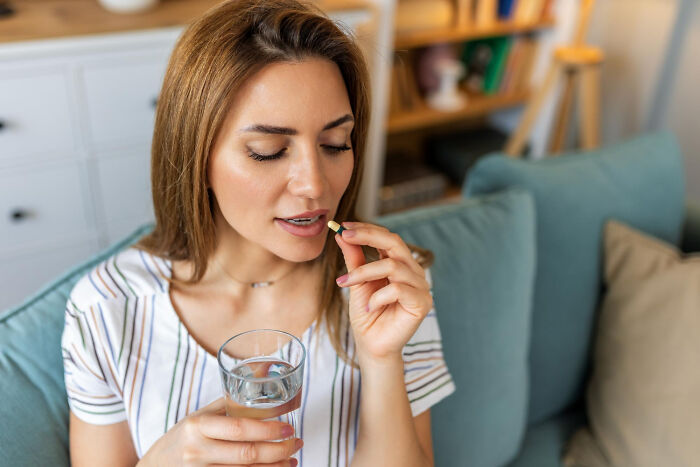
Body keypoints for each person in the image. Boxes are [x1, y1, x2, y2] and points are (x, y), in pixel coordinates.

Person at [61, 0, 456, 465]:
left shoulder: (389, 290)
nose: (315, 183)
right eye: (268, 151)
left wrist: (382, 360)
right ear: (197, 159)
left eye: (335, 144)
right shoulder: (106, 309)